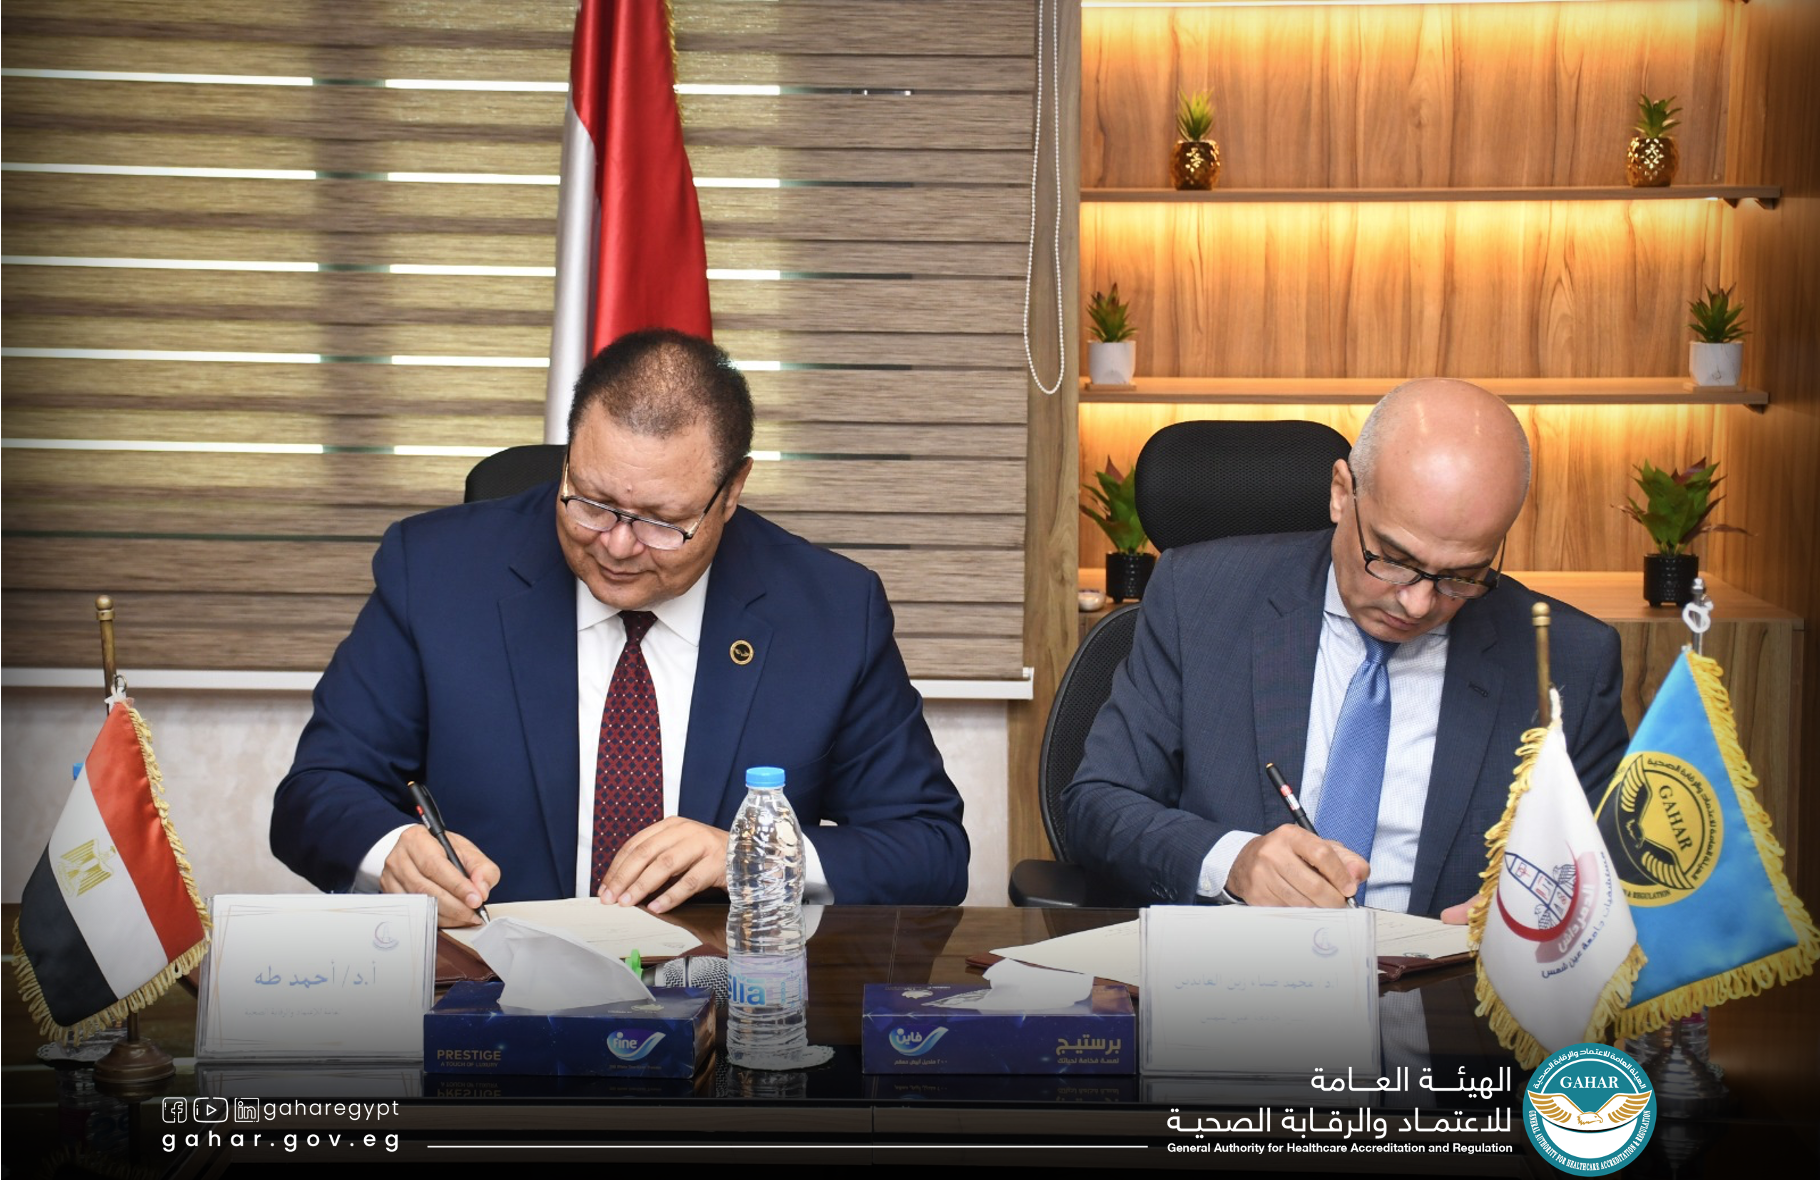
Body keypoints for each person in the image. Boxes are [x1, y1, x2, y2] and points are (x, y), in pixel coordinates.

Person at [272, 329, 968, 925]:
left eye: (662, 521)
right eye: (592, 502)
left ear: (731, 492)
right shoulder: (436, 574)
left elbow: (930, 850)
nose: (617, 544)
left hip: (728, 999)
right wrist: (391, 850)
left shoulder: (829, 612)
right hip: (490, 994)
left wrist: (756, 856)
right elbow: (316, 792)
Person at [1062, 379, 1629, 919]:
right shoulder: (1200, 597)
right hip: (1232, 968)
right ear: (1341, 493)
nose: (1418, 604)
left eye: (1462, 576)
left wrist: (1534, 915)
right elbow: (1098, 804)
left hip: (1449, 979)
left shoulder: (1569, 661)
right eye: (1394, 560)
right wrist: (1232, 862)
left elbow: (1611, 878)